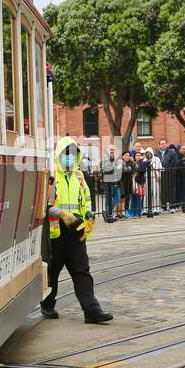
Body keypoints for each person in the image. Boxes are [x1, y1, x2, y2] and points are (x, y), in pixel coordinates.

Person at [41, 136, 112, 324]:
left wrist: (88, 213)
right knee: (52, 272)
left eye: (73, 154)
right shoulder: (51, 177)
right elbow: (44, 205)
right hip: (57, 233)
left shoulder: (79, 176)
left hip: (77, 229)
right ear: (59, 155)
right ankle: (48, 304)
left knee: (82, 271)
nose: (69, 158)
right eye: (66, 154)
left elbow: (87, 198)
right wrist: (62, 214)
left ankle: (92, 311)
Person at [100, 146, 121, 222]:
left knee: (117, 197)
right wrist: (115, 167)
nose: (112, 151)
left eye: (113, 149)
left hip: (116, 181)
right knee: (108, 198)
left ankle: (108, 212)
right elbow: (104, 168)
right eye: (111, 149)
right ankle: (109, 214)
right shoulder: (105, 158)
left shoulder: (116, 158)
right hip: (108, 182)